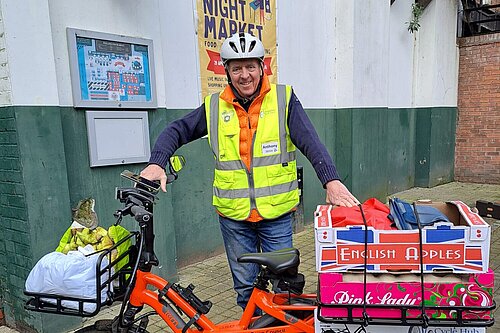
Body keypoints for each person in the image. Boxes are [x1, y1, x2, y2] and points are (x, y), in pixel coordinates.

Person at [140, 32, 359, 310]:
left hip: (275, 215)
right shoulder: (214, 106)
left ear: (262, 67)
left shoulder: (283, 99)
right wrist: (158, 161)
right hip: (234, 218)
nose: (245, 75)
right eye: (236, 68)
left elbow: (311, 142)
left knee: (285, 289)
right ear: (227, 72)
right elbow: (176, 129)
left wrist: (332, 181)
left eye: (250, 66)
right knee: (245, 289)